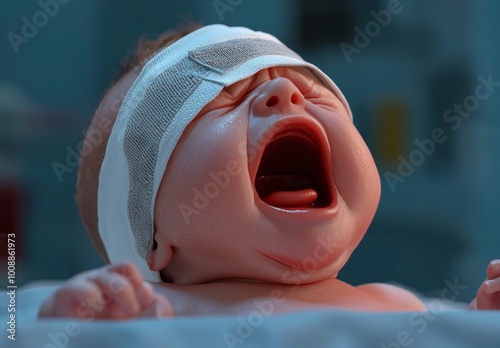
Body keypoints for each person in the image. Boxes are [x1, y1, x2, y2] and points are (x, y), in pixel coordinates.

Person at [39, 24, 500, 319]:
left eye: (312, 90)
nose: (284, 91)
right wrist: (82, 319)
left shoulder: (399, 305)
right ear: (153, 238)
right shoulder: (162, 313)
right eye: (224, 101)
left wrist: (480, 319)